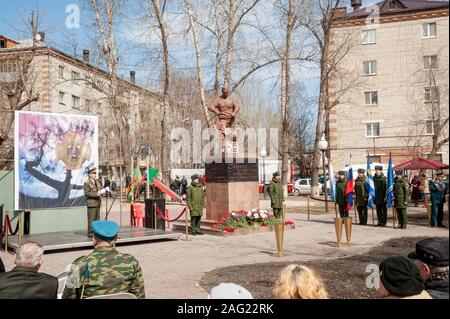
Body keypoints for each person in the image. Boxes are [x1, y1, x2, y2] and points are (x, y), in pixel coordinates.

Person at [62, 220, 145, 299]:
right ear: (115, 239)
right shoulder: (131, 262)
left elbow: (68, 297)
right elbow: (139, 296)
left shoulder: (78, 265)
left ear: (93, 239)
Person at [84, 167, 103, 237]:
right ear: (89, 174)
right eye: (93, 173)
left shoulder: (96, 181)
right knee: (91, 219)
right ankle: (90, 233)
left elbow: (100, 188)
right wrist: (96, 194)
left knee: (97, 219)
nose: (95, 174)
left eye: (95, 173)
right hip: (91, 203)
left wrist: (103, 190)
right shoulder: (87, 183)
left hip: (97, 203)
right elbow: (87, 193)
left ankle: (96, 232)